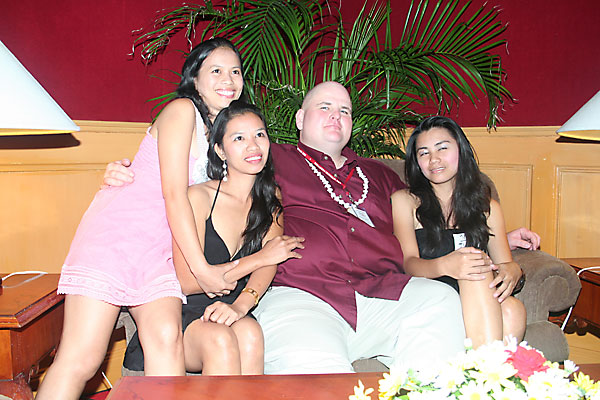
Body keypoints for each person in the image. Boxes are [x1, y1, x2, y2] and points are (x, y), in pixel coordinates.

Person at [102, 82, 541, 374]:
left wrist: (501, 239)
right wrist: (126, 175)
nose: (335, 116)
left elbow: (435, 204)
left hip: (385, 290)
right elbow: (193, 178)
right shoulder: (269, 157)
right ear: (299, 119)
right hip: (302, 295)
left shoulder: (381, 174)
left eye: (344, 110)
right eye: (324, 107)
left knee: (439, 304)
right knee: (316, 373)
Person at [36, 38, 246, 400]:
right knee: (81, 360)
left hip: (160, 252)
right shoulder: (182, 110)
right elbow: (173, 194)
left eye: (236, 71)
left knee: (166, 343)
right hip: (118, 237)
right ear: (194, 79)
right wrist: (201, 270)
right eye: (216, 70)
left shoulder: (225, 135)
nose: (228, 79)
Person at [124, 101, 304, 374]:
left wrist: (242, 305)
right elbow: (188, 282)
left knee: (251, 333)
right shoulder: (199, 197)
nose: (253, 146)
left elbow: (270, 262)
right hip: (185, 315)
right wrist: (259, 258)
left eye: (259, 134)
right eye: (239, 138)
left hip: (231, 306)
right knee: (220, 339)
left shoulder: (270, 198)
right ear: (220, 150)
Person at [391, 116, 527, 348]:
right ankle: (487, 366)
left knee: (512, 309)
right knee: (472, 267)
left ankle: (484, 368)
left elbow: (505, 264)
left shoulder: (488, 207)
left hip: (478, 296)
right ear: (416, 162)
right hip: (430, 292)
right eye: (424, 153)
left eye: (442, 148)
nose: (434, 159)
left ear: (461, 151)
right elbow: (408, 263)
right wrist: (446, 265)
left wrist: (513, 270)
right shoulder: (405, 201)